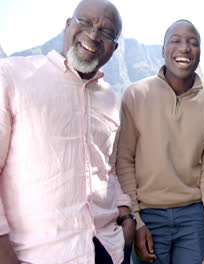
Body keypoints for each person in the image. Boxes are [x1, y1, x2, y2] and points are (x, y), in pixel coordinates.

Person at [0, 0, 135, 263]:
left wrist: (125, 214)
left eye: (106, 32)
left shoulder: (112, 99)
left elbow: (109, 167)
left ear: (114, 48)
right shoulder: (12, 76)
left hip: (106, 249)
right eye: (85, 22)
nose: (94, 35)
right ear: (68, 25)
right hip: (37, 254)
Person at [116, 19, 204, 264]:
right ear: (162, 51)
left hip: (193, 216)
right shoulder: (136, 95)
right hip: (147, 216)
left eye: (193, 43)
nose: (185, 48)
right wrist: (136, 222)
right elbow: (124, 161)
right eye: (176, 41)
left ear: (199, 52)